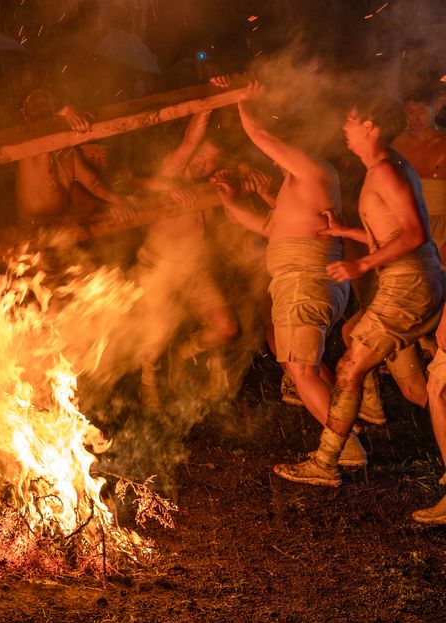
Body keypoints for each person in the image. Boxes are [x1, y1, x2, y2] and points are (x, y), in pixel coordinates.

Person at [274, 94, 446, 512]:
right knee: (422, 385)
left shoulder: (387, 170)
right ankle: (351, 437)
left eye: (350, 124)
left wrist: (362, 265)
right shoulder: (384, 169)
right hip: (411, 282)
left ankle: (327, 460)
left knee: (351, 365)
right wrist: (347, 232)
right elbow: (392, 232)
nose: (344, 132)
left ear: (370, 126)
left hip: (407, 285)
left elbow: (415, 233)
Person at [214, 82, 363, 464]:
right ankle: (347, 430)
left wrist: (240, 100)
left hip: (304, 283)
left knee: (300, 369)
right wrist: (231, 204)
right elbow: (271, 228)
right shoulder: (299, 183)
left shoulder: (314, 171)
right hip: (303, 282)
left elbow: (260, 135)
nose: (274, 159)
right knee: (306, 366)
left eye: (282, 151)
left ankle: (344, 450)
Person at [135, 110, 239, 409]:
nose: (203, 165)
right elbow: (191, 137)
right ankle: (149, 381)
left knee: (225, 328)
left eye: (211, 162)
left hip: (196, 271)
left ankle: (184, 352)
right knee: (156, 332)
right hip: (159, 266)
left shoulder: (212, 183)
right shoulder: (173, 172)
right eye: (200, 156)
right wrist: (207, 105)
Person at [14, 88, 128, 221]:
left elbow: (91, 180)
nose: (41, 105)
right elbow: (42, 124)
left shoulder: (67, 149)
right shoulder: (26, 142)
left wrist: (116, 199)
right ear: (25, 115)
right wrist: (66, 112)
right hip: (33, 225)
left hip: (63, 219)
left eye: (46, 101)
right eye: (35, 103)